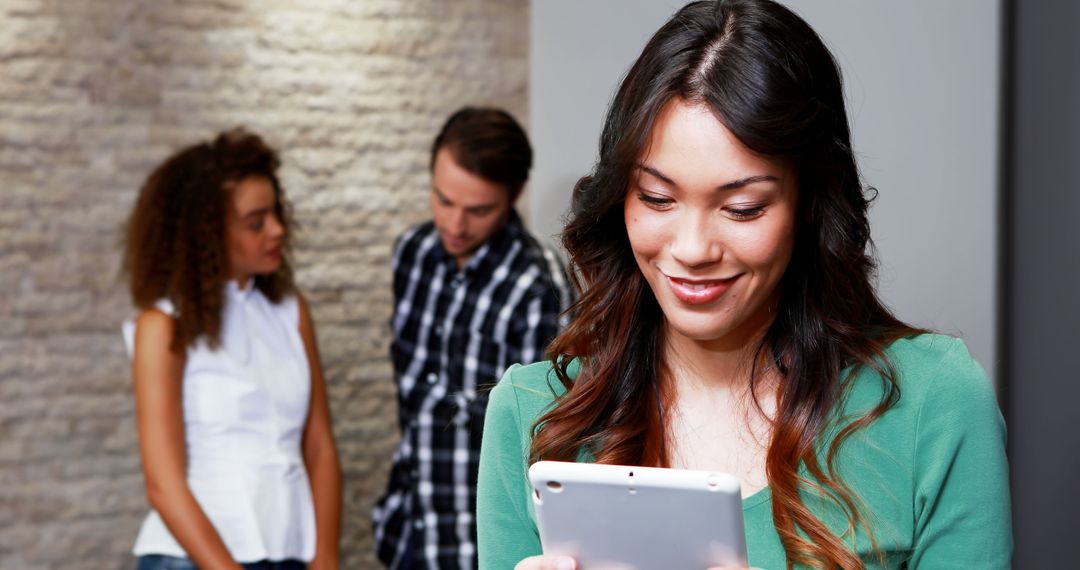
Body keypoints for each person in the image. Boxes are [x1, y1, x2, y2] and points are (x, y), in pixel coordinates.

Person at [476, 1, 1012, 569]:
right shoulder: (533, 416)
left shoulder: (934, 404)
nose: (692, 250)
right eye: (657, 199)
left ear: (809, 203)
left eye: (742, 208)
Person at [121, 129, 342, 570]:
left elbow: (319, 447)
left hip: (291, 553)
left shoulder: (289, 311)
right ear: (206, 234)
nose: (277, 229)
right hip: (192, 560)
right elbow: (163, 483)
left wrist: (326, 559)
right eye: (255, 222)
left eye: (276, 213)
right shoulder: (163, 326)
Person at [373, 107, 573, 569]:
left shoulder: (537, 285)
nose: (455, 225)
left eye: (478, 210)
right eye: (443, 201)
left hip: (482, 535)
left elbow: (543, 436)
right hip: (411, 527)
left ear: (514, 195)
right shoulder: (414, 253)